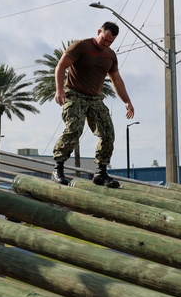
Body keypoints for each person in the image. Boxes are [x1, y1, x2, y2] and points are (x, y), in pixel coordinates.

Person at [51, 22, 135, 188]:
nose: (106, 44)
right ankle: (58, 169)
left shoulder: (110, 55)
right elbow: (61, 65)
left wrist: (127, 101)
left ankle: (101, 173)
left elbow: (116, 80)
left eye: (110, 42)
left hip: (95, 99)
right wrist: (59, 90)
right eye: (104, 39)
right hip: (74, 94)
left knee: (107, 133)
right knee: (75, 128)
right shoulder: (81, 46)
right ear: (99, 32)